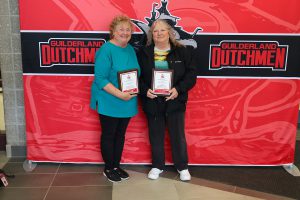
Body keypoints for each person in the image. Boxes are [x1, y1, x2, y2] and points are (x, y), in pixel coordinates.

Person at [137, 19, 197, 181]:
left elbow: (191, 76)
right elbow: (137, 76)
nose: (159, 34)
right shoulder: (143, 53)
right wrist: (145, 91)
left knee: (177, 135)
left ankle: (182, 166)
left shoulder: (183, 52)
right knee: (155, 135)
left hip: (175, 100)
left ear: (170, 32)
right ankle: (157, 166)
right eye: (155, 31)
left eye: (162, 30)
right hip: (152, 101)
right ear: (151, 35)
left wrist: (178, 90)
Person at [90, 15, 140, 183]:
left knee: (120, 135)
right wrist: (120, 94)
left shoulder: (130, 49)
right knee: (109, 134)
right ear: (113, 31)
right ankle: (108, 168)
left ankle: (116, 166)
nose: (125, 33)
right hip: (109, 100)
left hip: (127, 100)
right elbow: (101, 79)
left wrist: (130, 93)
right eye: (121, 29)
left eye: (128, 30)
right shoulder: (106, 50)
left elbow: (135, 73)